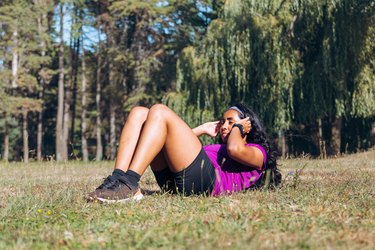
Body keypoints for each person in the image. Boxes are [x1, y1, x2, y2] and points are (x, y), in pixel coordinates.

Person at [88, 103, 281, 203]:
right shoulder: (216, 150)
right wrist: (202, 128)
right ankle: (117, 180)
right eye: (223, 121)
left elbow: (234, 149)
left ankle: (129, 183)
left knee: (159, 111)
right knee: (139, 112)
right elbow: (166, 137)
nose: (224, 126)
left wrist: (238, 128)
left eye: (231, 121)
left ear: (246, 126)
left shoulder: (258, 152)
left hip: (206, 184)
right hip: (176, 181)